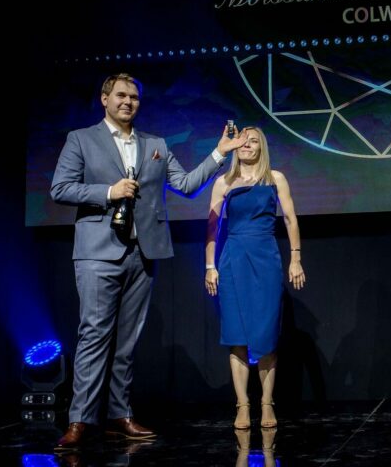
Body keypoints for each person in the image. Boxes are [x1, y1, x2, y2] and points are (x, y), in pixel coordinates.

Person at [50, 73, 247, 448]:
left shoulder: (155, 144)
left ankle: (119, 415)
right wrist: (109, 191)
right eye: (121, 95)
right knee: (94, 335)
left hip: (144, 253)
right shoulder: (81, 139)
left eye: (135, 97)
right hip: (98, 252)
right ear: (104, 98)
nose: (128, 102)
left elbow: (186, 185)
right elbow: (60, 188)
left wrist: (220, 152)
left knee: (127, 341)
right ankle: (80, 420)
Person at [205, 126, 305, 430]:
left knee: (266, 334)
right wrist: (209, 266)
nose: (247, 145)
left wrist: (296, 259)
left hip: (266, 259)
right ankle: (243, 405)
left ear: (262, 147)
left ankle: (267, 403)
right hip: (233, 260)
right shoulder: (223, 182)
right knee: (236, 336)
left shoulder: (275, 178)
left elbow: (290, 219)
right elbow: (212, 227)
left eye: (254, 141)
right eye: (243, 141)